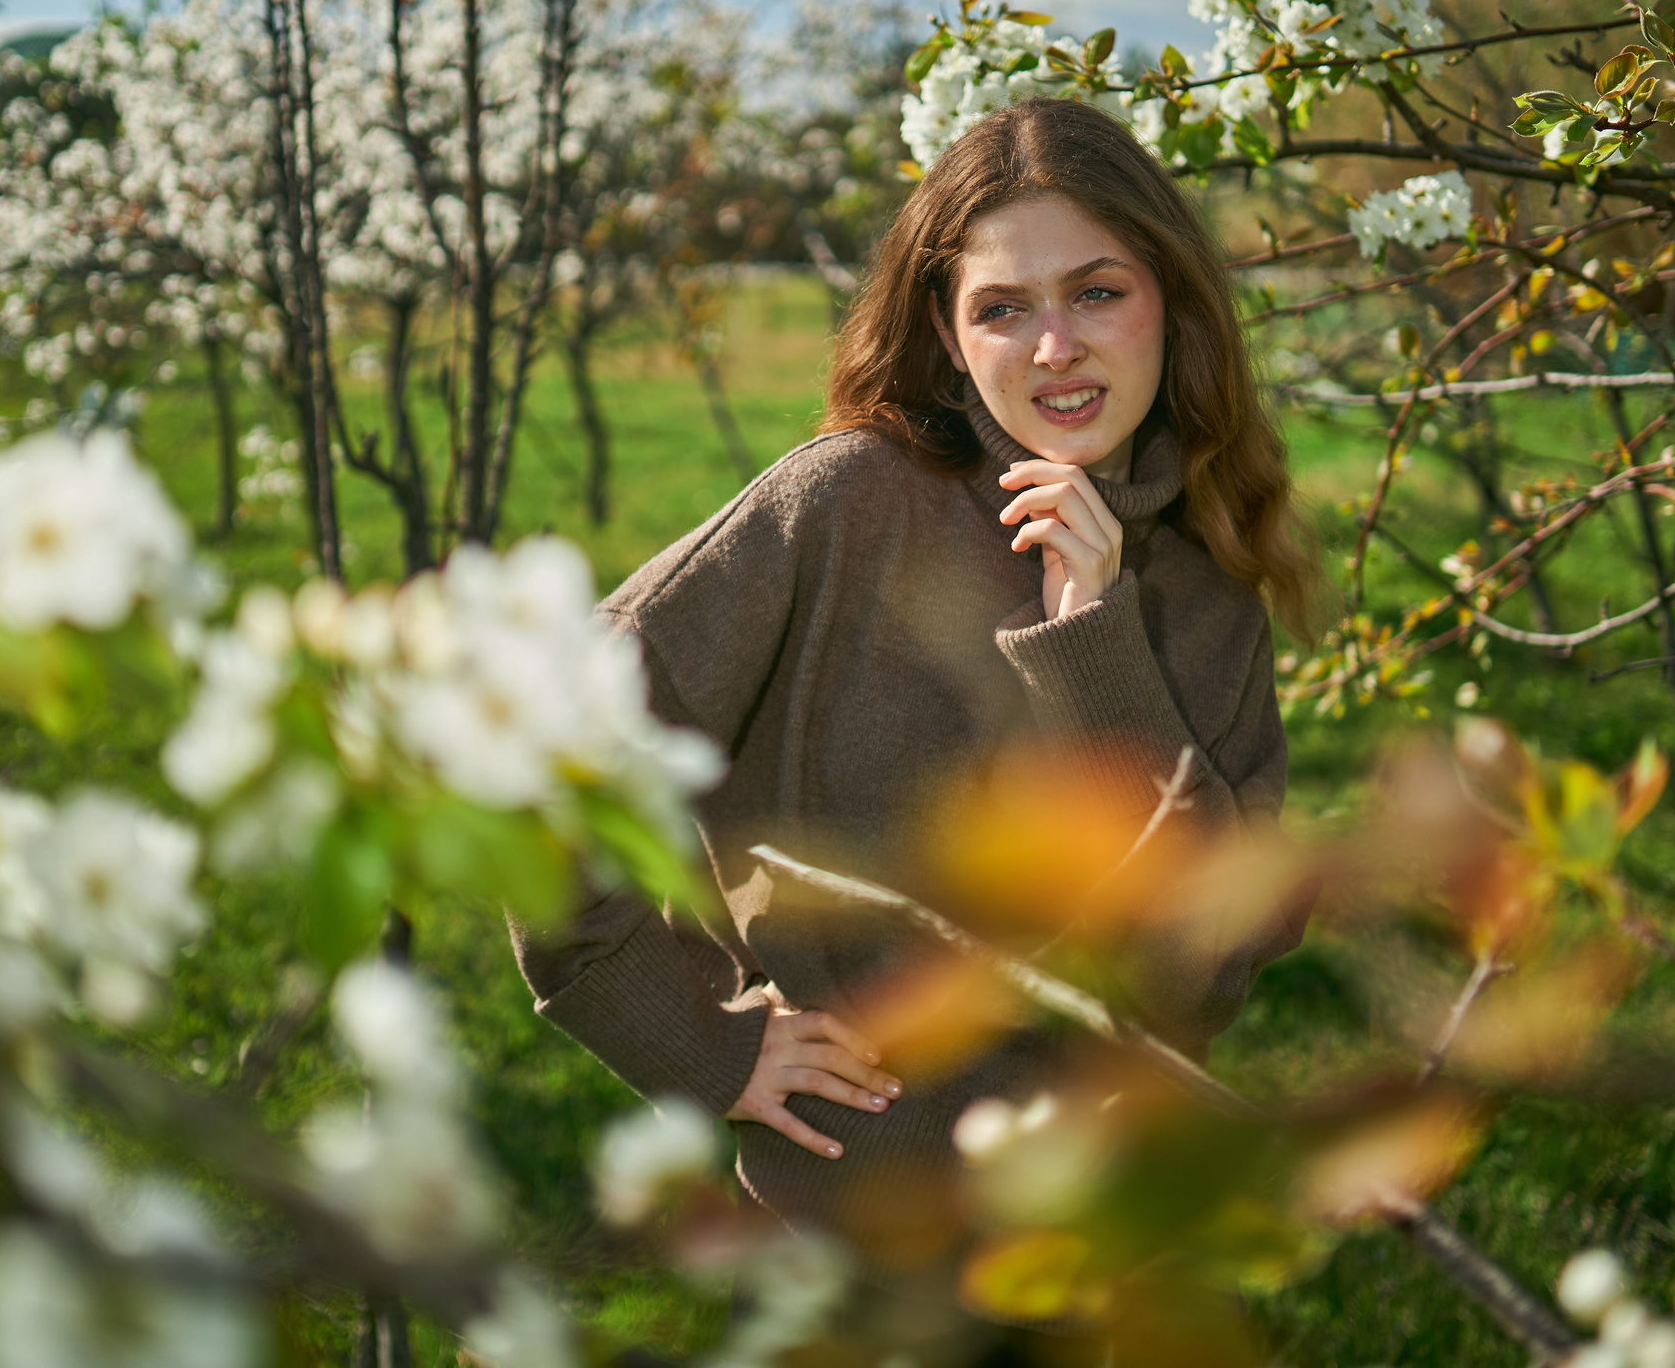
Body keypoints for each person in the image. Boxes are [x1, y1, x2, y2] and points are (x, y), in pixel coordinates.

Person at [511, 95, 1318, 1254]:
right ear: (946, 334)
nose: (1056, 348)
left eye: (1098, 290)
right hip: (846, 1219)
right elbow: (548, 743)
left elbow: (1193, 980)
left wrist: (1092, 644)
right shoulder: (843, 507)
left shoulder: (1210, 588)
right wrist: (698, 1041)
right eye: (1003, 309)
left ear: (1170, 302)